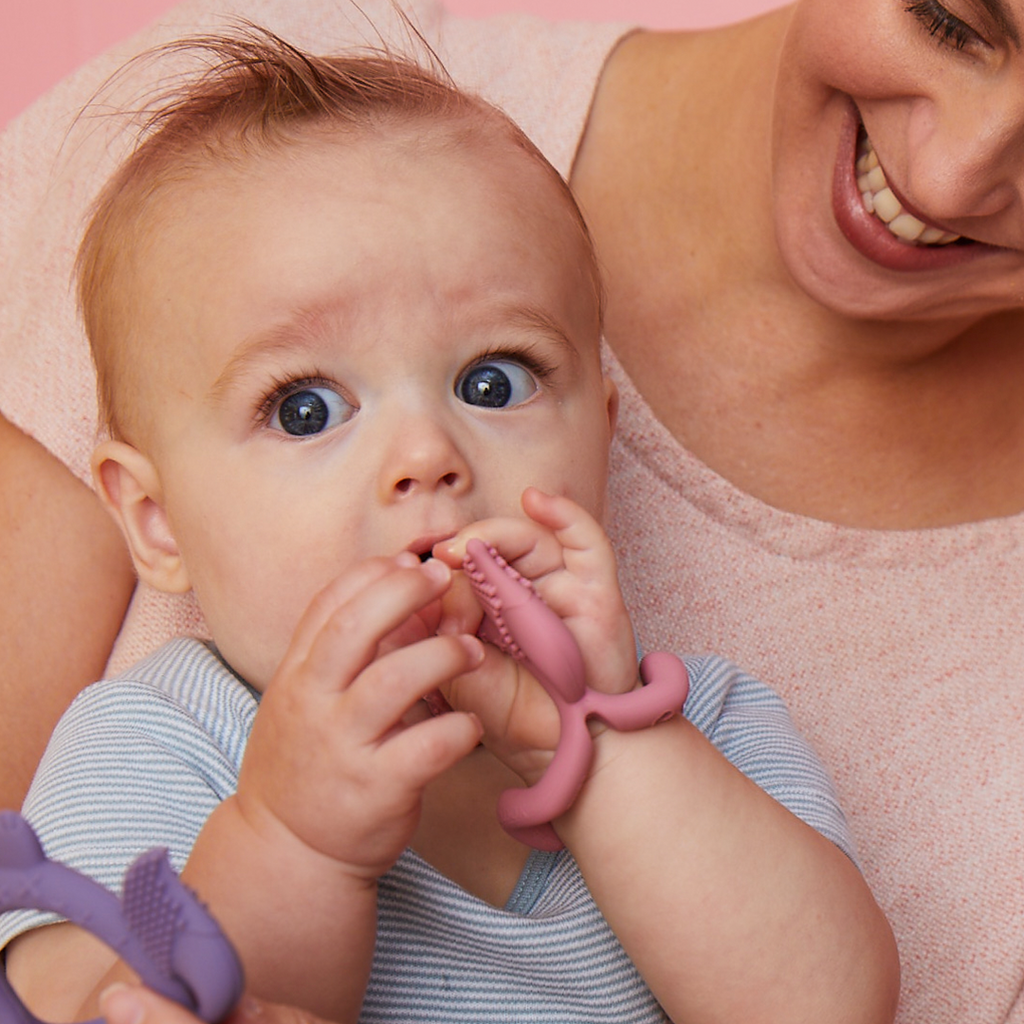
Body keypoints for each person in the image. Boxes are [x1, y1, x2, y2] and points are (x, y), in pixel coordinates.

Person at [1, 0, 1022, 1021]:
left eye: (493, 383)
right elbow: (99, 1001)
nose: (427, 458)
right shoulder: (160, 736)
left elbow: (822, 1008)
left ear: (601, 440)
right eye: (305, 408)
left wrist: (594, 747)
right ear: (157, 521)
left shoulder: (698, 729)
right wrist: (292, 840)